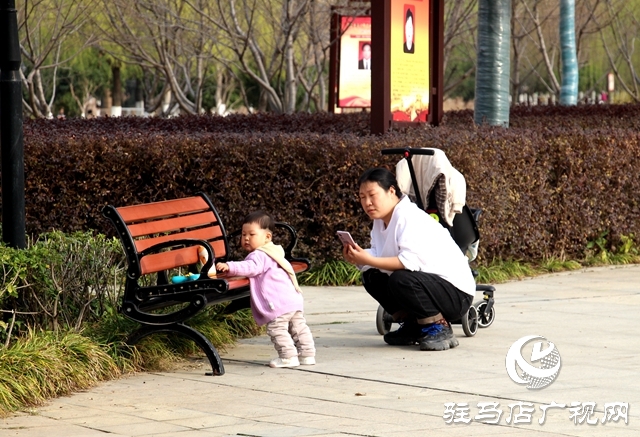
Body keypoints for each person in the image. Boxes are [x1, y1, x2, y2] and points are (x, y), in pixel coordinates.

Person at [342, 168, 476, 351]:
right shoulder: (380, 220)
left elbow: (407, 263)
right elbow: (378, 254)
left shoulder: (408, 217)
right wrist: (358, 256)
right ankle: (413, 325)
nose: (367, 203)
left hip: (457, 295)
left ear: (391, 191)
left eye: (372, 195)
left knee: (401, 279)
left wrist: (368, 259)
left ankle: (438, 327)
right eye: (362, 197)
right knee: (371, 275)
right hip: (428, 286)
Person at [216, 211, 316, 368]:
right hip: (292, 299)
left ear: (267, 237)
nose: (246, 238)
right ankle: (307, 355)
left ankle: (288, 356)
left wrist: (230, 266)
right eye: (243, 234)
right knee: (298, 327)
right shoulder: (274, 251)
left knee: (277, 328)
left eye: (252, 234)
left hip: (277, 303)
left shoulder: (259, 255)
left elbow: (250, 267)